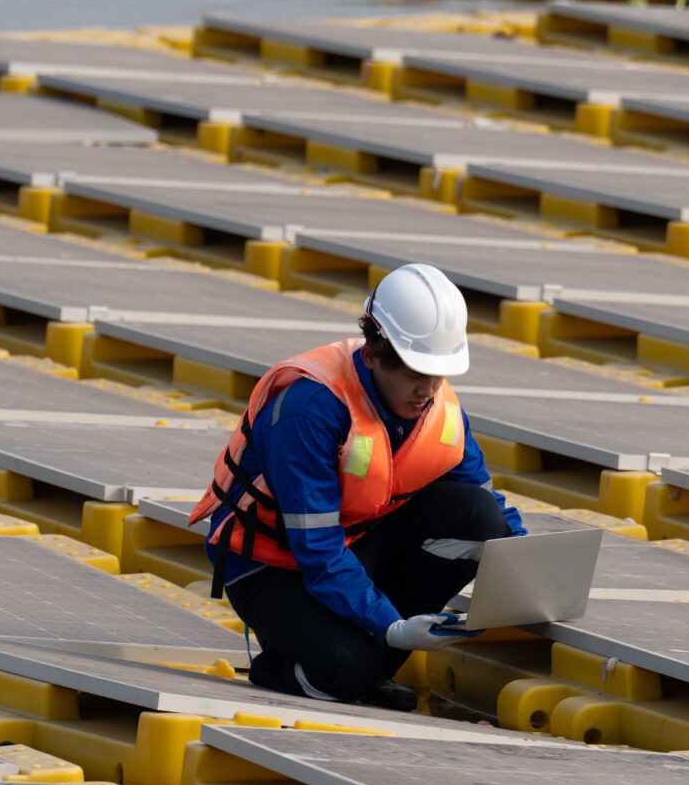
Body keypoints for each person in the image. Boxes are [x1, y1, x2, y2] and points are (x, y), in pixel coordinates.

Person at [196, 263, 524, 710]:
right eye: (414, 373)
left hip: (355, 545)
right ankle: (288, 667)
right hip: (271, 565)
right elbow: (318, 552)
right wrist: (392, 626)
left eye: (437, 374)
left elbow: (486, 502)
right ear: (372, 355)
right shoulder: (309, 411)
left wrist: (524, 569)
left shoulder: (435, 402)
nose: (426, 390)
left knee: (478, 517)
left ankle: (365, 662)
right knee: (348, 669)